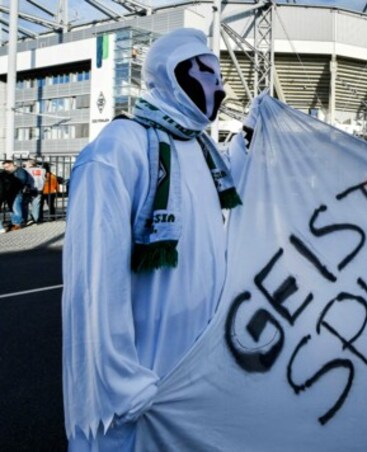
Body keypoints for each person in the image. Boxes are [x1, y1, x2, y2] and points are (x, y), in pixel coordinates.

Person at [61, 28, 240, 451]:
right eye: (208, 73)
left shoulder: (203, 151)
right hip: (141, 384)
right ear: (175, 76)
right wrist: (121, 381)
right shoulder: (119, 148)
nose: (220, 86)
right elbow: (93, 281)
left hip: (193, 378)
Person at [2, 159, 35, 231]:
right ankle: (14, 222)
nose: (5, 169)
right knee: (11, 209)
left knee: (16, 208)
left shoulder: (20, 171)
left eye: (7, 167)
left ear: (12, 165)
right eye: (4, 167)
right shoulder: (7, 172)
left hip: (17, 193)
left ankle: (17, 223)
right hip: (9, 193)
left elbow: (21, 181)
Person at [24, 158, 46, 224]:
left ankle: (28, 219)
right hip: (39, 189)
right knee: (36, 206)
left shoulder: (26, 170)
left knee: (25, 205)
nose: (25, 164)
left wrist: (27, 167)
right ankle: (35, 219)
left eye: (27, 163)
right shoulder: (43, 170)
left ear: (30, 164)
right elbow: (44, 179)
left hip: (28, 190)